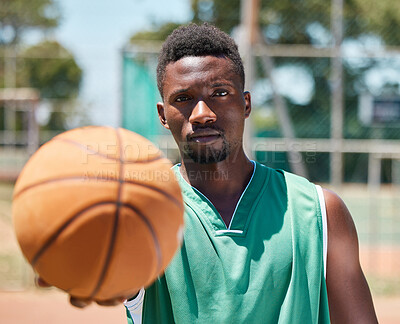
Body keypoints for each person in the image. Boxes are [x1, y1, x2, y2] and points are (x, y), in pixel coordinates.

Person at [40, 23, 378, 323]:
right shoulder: (141, 214)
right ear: (162, 114)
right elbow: (117, 278)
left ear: (246, 104)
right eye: (184, 98)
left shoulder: (320, 213)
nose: (201, 113)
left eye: (220, 93)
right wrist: (89, 266)